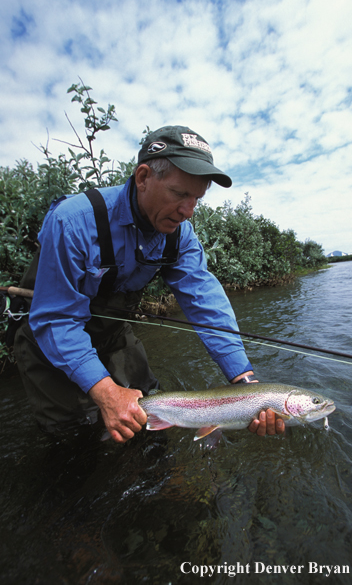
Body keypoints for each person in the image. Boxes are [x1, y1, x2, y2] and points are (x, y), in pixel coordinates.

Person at [14, 125, 285, 442]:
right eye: (180, 194)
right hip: (49, 336)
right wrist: (106, 391)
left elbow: (206, 303)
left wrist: (244, 383)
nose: (188, 211)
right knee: (74, 437)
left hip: (113, 334)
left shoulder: (181, 236)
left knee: (150, 418)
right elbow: (56, 318)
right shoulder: (72, 221)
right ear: (143, 178)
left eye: (197, 198)